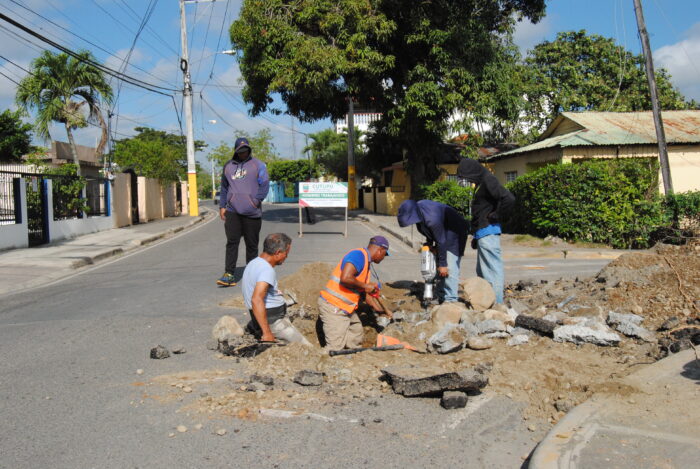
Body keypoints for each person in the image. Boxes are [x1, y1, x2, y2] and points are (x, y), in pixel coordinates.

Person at [457, 158, 515, 304]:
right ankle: (486, 302)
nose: (467, 180)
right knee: (483, 271)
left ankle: (496, 304)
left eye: (467, 177)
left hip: (489, 231)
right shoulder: (480, 182)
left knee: (491, 271)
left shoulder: (488, 179)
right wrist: (476, 237)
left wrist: (497, 215)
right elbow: (482, 210)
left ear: (473, 171)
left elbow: (509, 198)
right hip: (483, 233)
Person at [318, 236, 391, 351]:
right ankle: (323, 359)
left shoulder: (366, 263)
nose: (383, 258)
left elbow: (364, 295)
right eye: (384, 254)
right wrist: (366, 286)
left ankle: (352, 357)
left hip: (345, 307)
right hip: (333, 306)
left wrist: (380, 311)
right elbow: (345, 278)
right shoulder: (358, 255)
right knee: (335, 348)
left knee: (355, 333)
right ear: (380, 250)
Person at [217, 137, 270, 287]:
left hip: (252, 212)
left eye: (245, 150)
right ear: (236, 151)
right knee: (232, 242)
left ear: (249, 150)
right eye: (240, 151)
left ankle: (252, 274)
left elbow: (265, 184)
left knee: (252, 245)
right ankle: (229, 274)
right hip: (232, 211)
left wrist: (255, 201)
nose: (243, 153)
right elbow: (224, 188)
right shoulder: (228, 166)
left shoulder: (258, 165)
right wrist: (222, 206)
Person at [241, 233, 310, 345]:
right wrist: (267, 332)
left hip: (266, 317)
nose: (286, 257)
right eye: (286, 253)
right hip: (273, 322)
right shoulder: (266, 270)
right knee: (306, 348)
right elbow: (256, 299)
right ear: (278, 253)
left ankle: (256, 326)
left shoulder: (254, 263)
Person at [397, 199, 468, 304]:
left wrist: (443, 264)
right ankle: (441, 297)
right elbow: (427, 230)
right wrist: (429, 244)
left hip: (455, 231)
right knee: (438, 267)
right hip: (442, 233)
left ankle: (451, 300)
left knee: (449, 267)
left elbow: (441, 240)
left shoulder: (432, 218)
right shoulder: (419, 212)